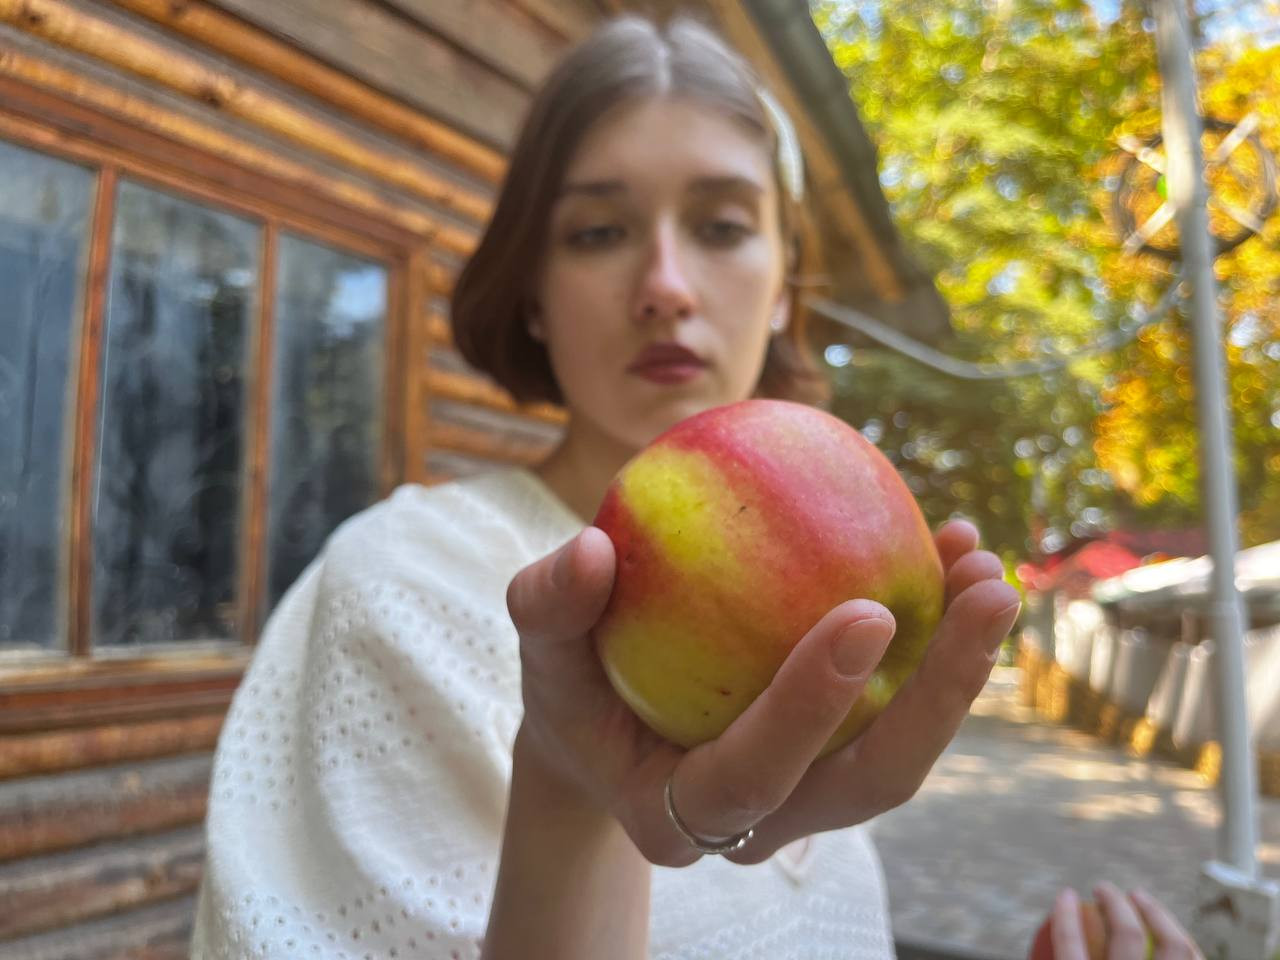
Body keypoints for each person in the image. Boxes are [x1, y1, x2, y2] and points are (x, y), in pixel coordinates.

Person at [191, 13, 1024, 959]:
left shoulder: (831, 605)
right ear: (535, 295)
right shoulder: (397, 587)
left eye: (721, 226)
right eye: (597, 231)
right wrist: (564, 785)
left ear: (786, 287)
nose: (665, 284)